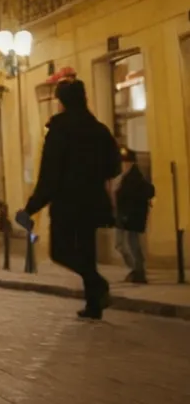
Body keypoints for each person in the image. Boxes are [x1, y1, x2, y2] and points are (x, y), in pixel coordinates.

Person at [16, 79, 122, 320]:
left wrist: (31, 207)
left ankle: (97, 284)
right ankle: (94, 305)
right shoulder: (99, 130)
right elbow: (114, 167)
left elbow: (49, 175)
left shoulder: (59, 131)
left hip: (67, 203)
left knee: (60, 251)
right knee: (87, 252)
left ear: (62, 101)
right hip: (93, 202)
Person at [114, 148, 154, 284]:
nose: (124, 164)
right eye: (123, 162)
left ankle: (138, 271)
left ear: (132, 163)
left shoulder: (134, 177)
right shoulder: (124, 177)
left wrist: (129, 213)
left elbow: (147, 192)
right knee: (122, 244)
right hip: (123, 217)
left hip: (130, 217)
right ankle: (136, 270)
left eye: (127, 162)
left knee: (131, 244)